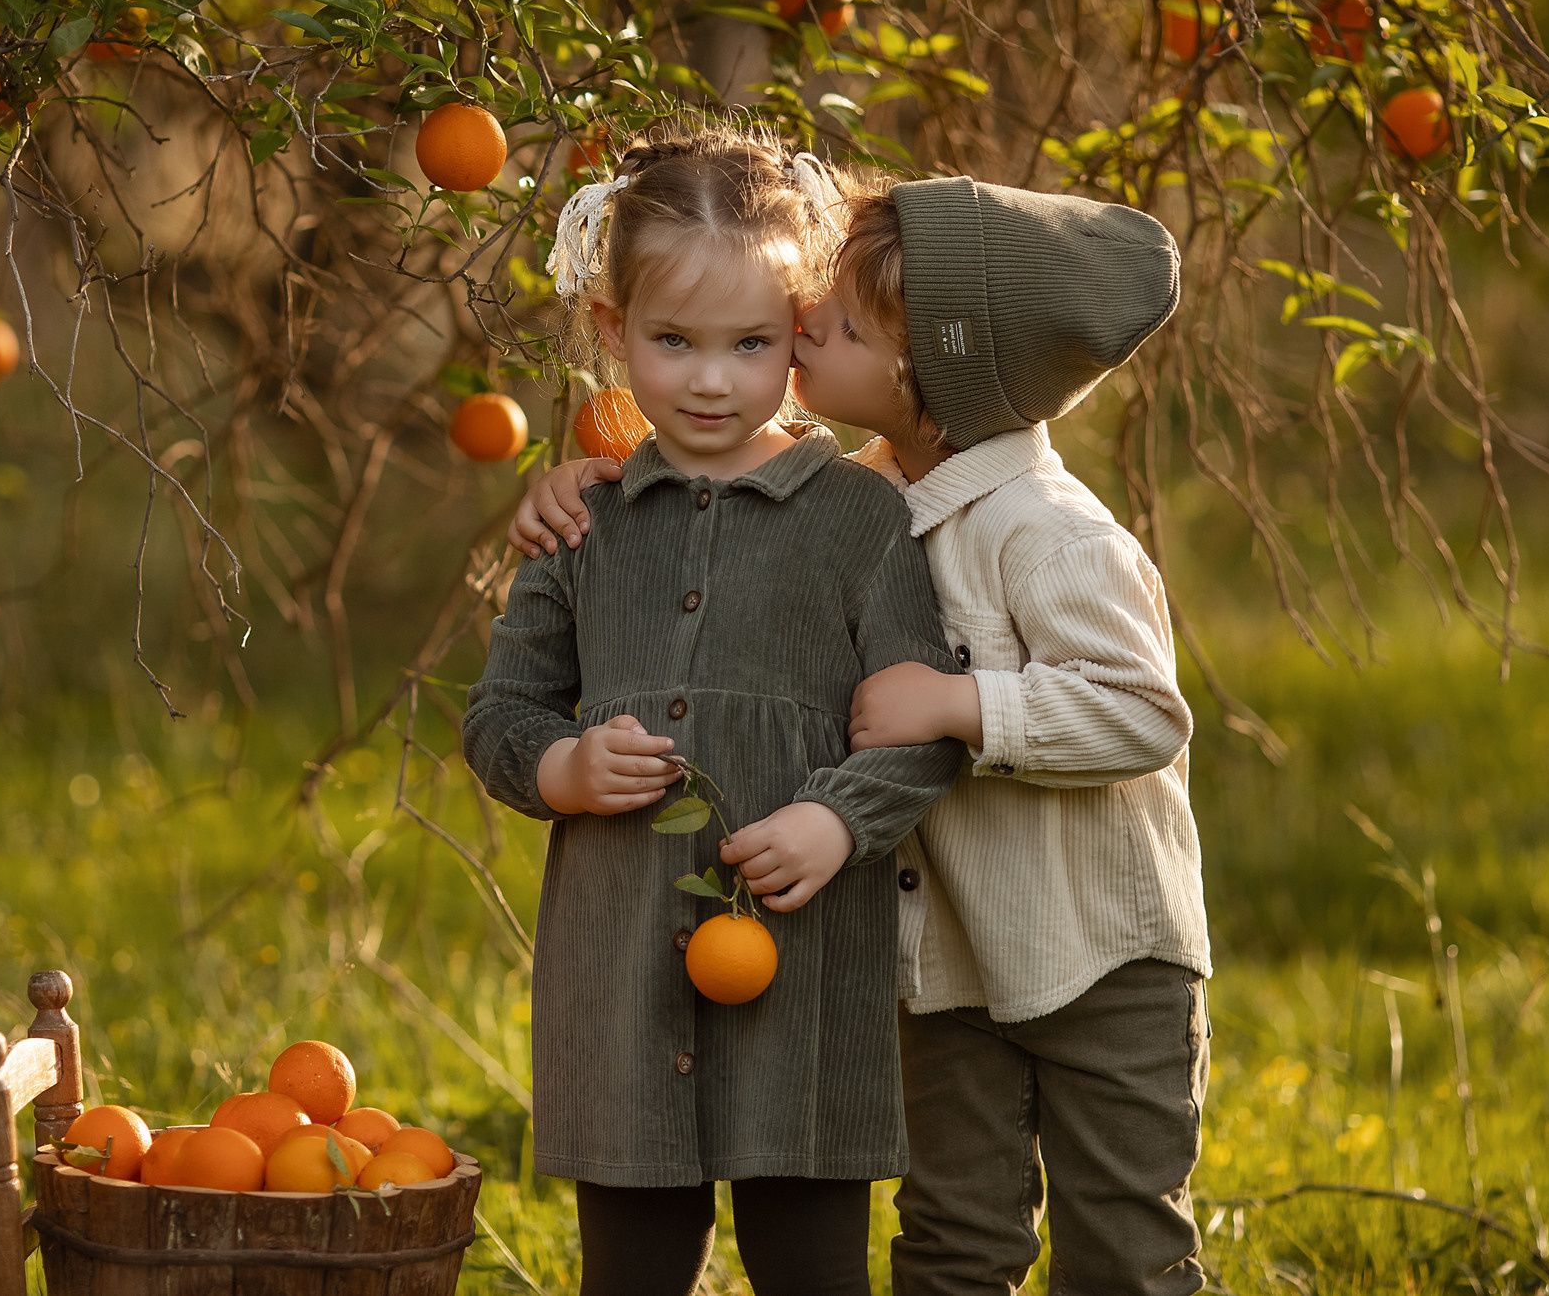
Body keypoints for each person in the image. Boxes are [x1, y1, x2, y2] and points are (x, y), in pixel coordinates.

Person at [511, 171, 1211, 1296]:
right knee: (953, 1241)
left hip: (1098, 954)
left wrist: (960, 705)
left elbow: (1144, 711)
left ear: (927, 374)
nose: (800, 333)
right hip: (951, 964)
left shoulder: (1047, 533)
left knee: (1122, 1244)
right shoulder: (872, 490)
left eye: (829, 325)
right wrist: (591, 475)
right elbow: (718, 480)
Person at [462, 127, 967, 1296]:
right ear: (609, 333)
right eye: (670, 341)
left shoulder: (859, 519)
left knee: (812, 1266)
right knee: (630, 1271)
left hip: (805, 969)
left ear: (799, 334)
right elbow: (499, 715)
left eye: (749, 345)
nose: (707, 379)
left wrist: (838, 821)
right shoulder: (584, 520)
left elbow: (919, 725)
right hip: (621, 967)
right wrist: (563, 770)